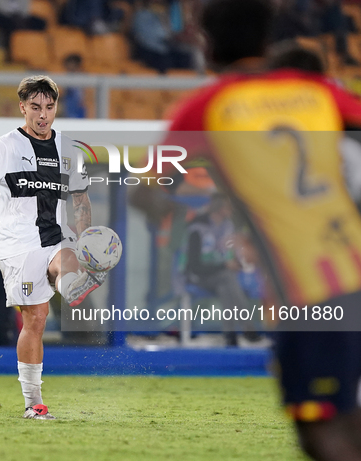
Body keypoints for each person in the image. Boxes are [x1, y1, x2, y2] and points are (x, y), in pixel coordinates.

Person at [161, 0, 361, 459]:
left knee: (321, 430)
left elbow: (149, 188)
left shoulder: (208, 107)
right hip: (351, 267)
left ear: (206, 44)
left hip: (310, 290)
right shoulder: (317, 94)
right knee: (346, 413)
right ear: (268, 40)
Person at [0, 75, 108, 420]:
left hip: (56, 238)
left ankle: (72, 279)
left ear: (56, 108)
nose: (43, 115)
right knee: (35, 320)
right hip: (18, 246)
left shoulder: (68, 149)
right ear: (23, 108)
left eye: (50, 107)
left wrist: (85, 242)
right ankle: (33, 403)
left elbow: (80, 199)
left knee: (67, 258)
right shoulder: (5, 146)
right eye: (36, 108)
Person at [181, 193, 261, 346]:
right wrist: (224, 266)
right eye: (227, 206)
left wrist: (236, 263)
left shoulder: (228, 226)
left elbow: (228, 255)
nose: (231, 209)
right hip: (198, 276)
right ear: (219, 207)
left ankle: (230, 337)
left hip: (221, 277)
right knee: (227, 277)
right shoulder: (197, 228)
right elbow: (194, 266)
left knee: (226, 286)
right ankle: (248, 329)